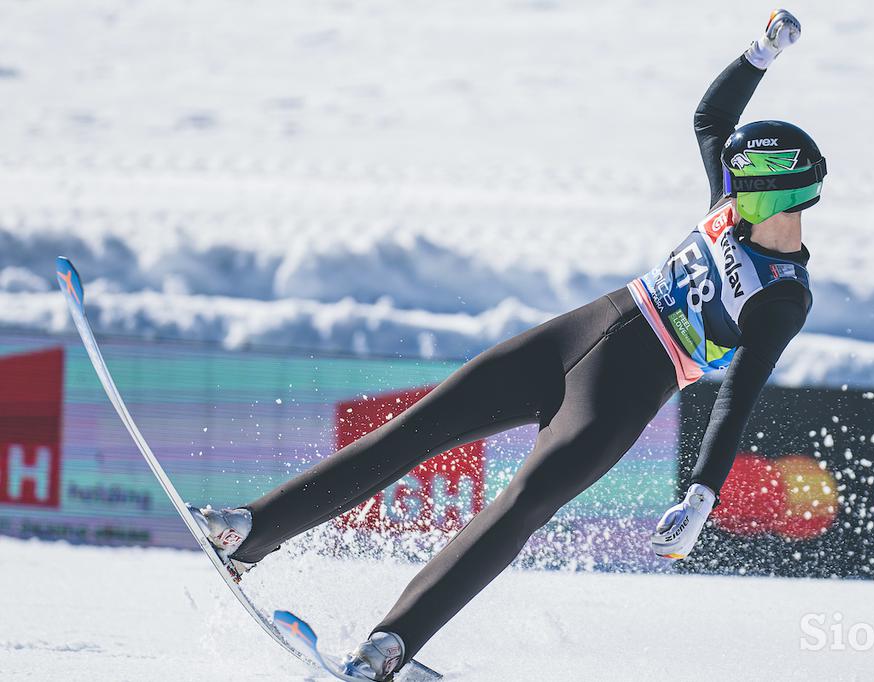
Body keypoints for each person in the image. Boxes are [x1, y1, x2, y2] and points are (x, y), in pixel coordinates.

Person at [191, 9, 825, 680]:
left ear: (769, 191)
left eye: (742, 179)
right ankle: (251, 533)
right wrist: (759, 53)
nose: (728, 184)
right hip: (580, 331)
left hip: (622, 396)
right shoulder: (728, 204)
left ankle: (390, 645)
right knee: (417, 428)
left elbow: (740, 394)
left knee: (520, 505)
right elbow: (709, 119)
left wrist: (702, 496)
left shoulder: (781, 295)